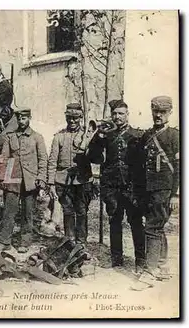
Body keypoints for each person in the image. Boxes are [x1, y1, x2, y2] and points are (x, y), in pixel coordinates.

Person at [88, 100, 145, 271]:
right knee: (114, 221)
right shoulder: (107, 135)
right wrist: (98, 137)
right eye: (115, 114)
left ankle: (140, 261)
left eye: (121, 113)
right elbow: (94, 158)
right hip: (112, 186)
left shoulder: (137, 135)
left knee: (135, 222)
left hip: (131, 186)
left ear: (127, 114)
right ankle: (116, 259)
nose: (117, 117)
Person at [132, 96, 179, 291]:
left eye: (162, 112)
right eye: (155, 111)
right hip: (148, 189)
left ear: (170, 113)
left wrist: (176, 194)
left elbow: (180, 167)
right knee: (156, 226)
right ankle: (161, 265)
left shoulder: (175, 136)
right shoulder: (147, 135)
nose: (158, 115)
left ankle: (150, 272)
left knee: (152, 227)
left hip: (165, 189)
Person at [0, 106, 48, 253]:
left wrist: (41, 178)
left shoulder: (37, 137)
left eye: (24, 118)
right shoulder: (10, 137)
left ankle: (25, 242)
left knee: (27, 213)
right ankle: (4, 241)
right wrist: (1, 177)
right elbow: (4, 158)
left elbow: (43, 159)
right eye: (19, 118)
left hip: (30, 181)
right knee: (9, 211)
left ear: (29, 119)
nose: (21, 121)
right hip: (12, 179)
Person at [48, 103, 94, 244]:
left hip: (82, 180)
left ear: (80, 118)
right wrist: (50, 183)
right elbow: (52, 161)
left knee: (81, 211)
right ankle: (69, 239)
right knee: (67, 211)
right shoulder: (59, 137)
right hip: (63, 180)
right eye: (69, 118)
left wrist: (89, 140)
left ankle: (81, 242)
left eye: (75, 118)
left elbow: (96, 156)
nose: (72, 121)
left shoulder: (87, 136)